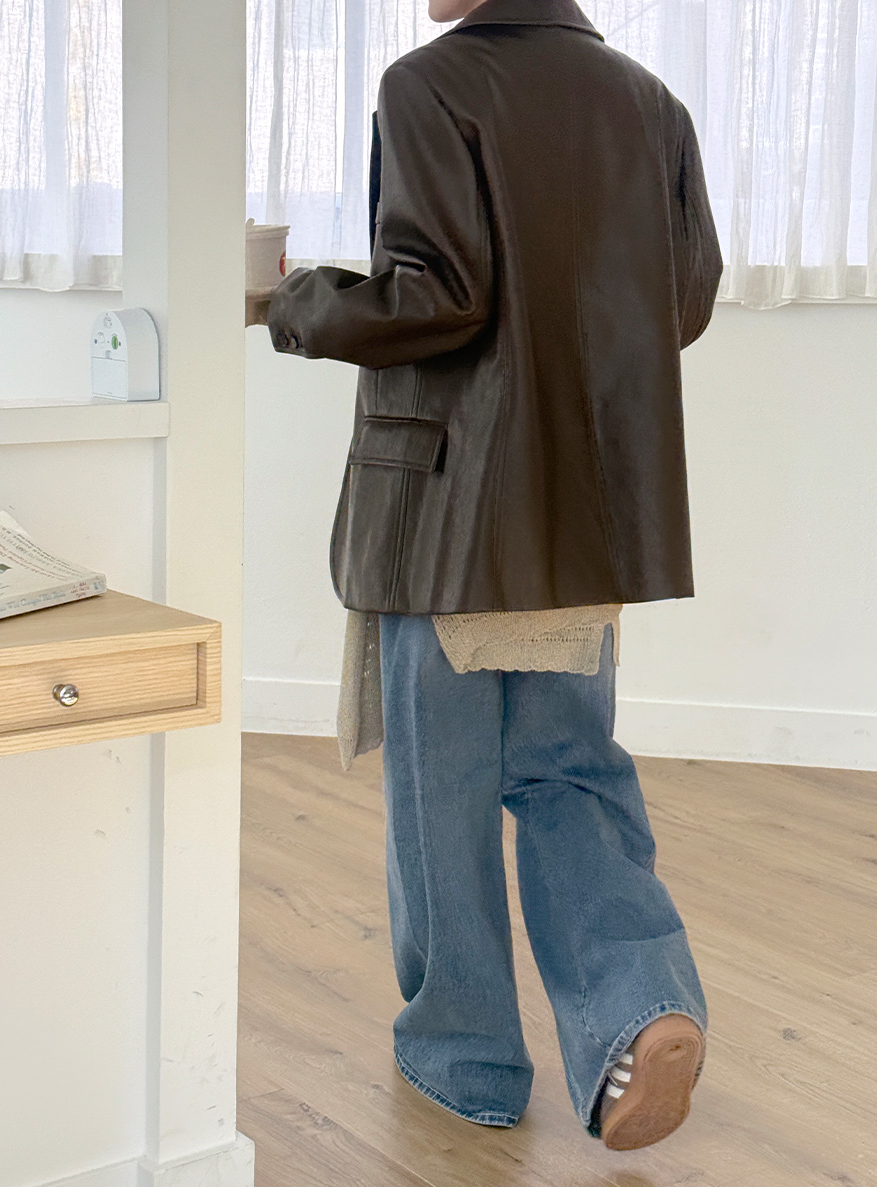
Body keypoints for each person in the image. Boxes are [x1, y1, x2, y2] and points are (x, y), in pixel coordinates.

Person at [250, 0, 723, 1151]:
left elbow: (438, 293)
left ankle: (466, 1056)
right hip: (590, 516)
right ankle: (641, 1007)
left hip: (452, 519)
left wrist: (294, 300)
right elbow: (686, 296)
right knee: (572, 774)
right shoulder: (650, 102)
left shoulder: (431, 83)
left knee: (442, 793)